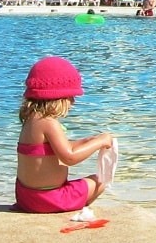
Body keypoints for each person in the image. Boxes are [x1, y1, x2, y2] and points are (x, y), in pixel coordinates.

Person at [15, 56, 114, 214]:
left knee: (91, 181)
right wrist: (100, 142)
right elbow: (68, 157)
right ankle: (73, 208)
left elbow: (57, 149)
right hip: (49, 199)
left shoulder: (31, 120)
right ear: (57, 97)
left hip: (26, 197)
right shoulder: (49, 123)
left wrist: (88, 141)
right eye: (71, 97)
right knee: (100, 180)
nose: (73, 102)